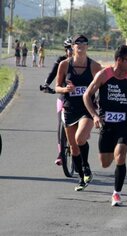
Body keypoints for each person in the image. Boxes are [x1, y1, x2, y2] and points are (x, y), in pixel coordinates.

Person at [83, 45, 127, 206]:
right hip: (106, 124)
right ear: (119, 60)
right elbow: (86, 95)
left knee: (121, 155)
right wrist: (95, 116)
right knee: (105, 163)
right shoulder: (104, 75)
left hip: (124, 123)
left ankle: (116, 193)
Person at [55, 34, 102, 191]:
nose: (80, 45)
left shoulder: (94, 66)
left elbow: (103, 86)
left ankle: (86, 167)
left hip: (86, 108)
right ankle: (82, 178)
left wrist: (100, 108)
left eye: (84, 43)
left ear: (87, 46)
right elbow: (57, 87)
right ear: (73, 47)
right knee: (74, 148)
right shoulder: (64, 65)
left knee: (80, 138)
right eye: (77, 43)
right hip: (69, 108)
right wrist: (66, 89)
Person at [41, 38, 73, 166]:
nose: (71, 51)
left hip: (79, 98)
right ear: (65, 50)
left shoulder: (82, 62)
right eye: (68, 48)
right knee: (61, 123)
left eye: (73, 48)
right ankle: (60, 153)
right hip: (63, 96)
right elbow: (53, 72)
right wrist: (46, 84)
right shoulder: (61, 61)